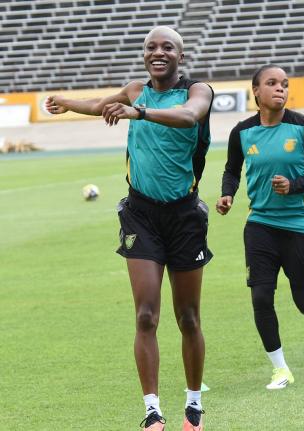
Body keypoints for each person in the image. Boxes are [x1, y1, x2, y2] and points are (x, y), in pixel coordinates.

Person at [46, 26, 213, 431]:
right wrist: (64, 102)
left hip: (185, 216)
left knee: (188, 317)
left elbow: (189, 117)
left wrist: (138, 112)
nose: (158, 52)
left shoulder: (198, 91)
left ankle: (194, 405)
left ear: (180, 55)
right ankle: (153, 411)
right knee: (145, 316)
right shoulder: (135, 87)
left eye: (167, 47)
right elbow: (99, 105)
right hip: (140, 216)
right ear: (143, 54)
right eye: (151, 47)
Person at [216, 64, 304, 390]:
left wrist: (295, 185)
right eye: (271, 83)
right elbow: (232, 170)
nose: (280, 88)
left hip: (300, 223)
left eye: (284, 84)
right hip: (260, 224)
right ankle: (280, 369)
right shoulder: (241, 132)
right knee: (261, 297)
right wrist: (227, 194)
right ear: (256, 91)